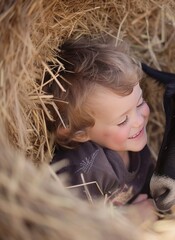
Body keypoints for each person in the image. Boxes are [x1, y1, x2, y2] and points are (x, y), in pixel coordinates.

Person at [46, 35, 157, 223]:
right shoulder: (85, 171)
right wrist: (131, 219)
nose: (139, 121)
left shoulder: (134, 144)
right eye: (122, 121)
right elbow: (72, 226)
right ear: (79, 133)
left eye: (139, 104)